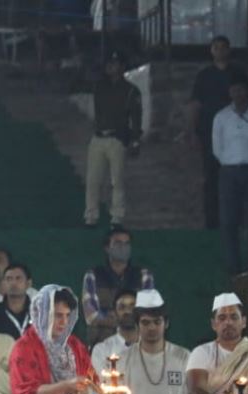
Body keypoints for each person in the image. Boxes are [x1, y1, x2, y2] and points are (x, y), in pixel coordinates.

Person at [185, 35, 248, 230]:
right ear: (211, 51)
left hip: (235, 134)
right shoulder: (204, 75)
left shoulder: (238, 73)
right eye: (216, 47)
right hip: (210, 132)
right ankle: (212, 223)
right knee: (212, 178)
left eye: (223, 47)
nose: (220, 51)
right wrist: (192, 131)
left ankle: (235, 221)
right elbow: (196, 104)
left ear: (229, 50)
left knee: (236, 177)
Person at [212, 74, 248, 276]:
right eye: (234, 90)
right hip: (229, 171)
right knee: (229, 221)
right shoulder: (221, 117)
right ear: (229, 93)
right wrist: (231, 162)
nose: (238, 94)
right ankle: (232, 266)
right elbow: (217, 147)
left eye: (241, 89)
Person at [84, 50, 142, 229]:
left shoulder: (131, 90)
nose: (110, 66)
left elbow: (136, 117)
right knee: (93, 179)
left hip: (117, 137)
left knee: (117, 180)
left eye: (115, 63)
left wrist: (135, 140)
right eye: (109, 63)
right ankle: (91, 216)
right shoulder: (100, 86)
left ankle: (117, 217)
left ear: (122, 67)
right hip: (99, 136)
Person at [80, 228, 154, 345]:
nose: (123, 247)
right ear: (107, 248)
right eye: (118, 243)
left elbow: (149, 313)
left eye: (127, 244)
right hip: (101, 345)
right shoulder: (93, 275)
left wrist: (107, 315)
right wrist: (129, 318)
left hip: (137, 346)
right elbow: (91, 317)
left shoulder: (144, 276)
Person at [0, 262, 35, 340]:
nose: (13, 283)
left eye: (18, 278)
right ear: (3, 283)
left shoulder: (39, 313)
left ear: (28, 283)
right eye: (9, 279)